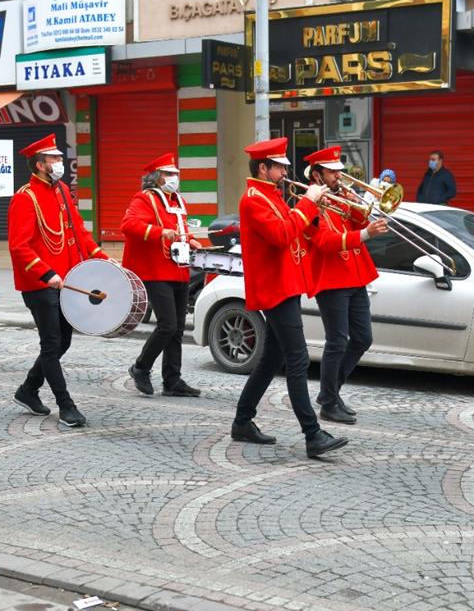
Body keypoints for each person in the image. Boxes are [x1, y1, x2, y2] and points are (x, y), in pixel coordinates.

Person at [230, 137, 348, 459]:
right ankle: (312, 434)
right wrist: (308, 202)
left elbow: (296, 229)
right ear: (263, 168)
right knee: (297, 359)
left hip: (287, 283)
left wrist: (316, 208)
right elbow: (281, 235)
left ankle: (242, 421)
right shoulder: (253, 199)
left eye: (284, 166)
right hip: (274, 288)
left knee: (272, 359)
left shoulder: (273, 195)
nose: (285, 171)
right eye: (279, 167)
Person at [8, 133, 109, 429]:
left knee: (62, 341)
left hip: (67, 279)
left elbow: (79, 232)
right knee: (52, 343)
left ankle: (28, 389)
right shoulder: (25, 198)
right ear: (40, 164)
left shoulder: (62, 190)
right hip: (40, 283)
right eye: (54, 159)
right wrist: (46, 272)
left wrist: (103, 258)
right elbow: (18, 246)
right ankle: (66, 406)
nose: (60, 162)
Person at [300, 145, 388, 424]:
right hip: (331, 278)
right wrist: (365, 233)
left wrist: (359, 201)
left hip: (354, 274)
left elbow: (357, 221)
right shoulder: (309, 205)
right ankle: (328, 401)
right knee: (337, 341)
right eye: (332, 173)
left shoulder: (339, 197)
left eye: (339, 172)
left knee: (363, 338)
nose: (338, 177)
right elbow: (324, 241)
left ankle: (330, 393)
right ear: (317, 175)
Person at [121, 153, 204, 398]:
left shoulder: (177, 199)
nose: (174, 178)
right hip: (154, 270)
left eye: (175, 173)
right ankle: (141, 367)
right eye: (168, 174)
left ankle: (172, 380)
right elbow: (129, 225)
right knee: (167, 325)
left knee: (177, 328)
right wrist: (159, 232)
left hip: (177, 269)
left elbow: (180, 229)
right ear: (156, 178)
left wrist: (190, 239)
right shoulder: (144, 198)